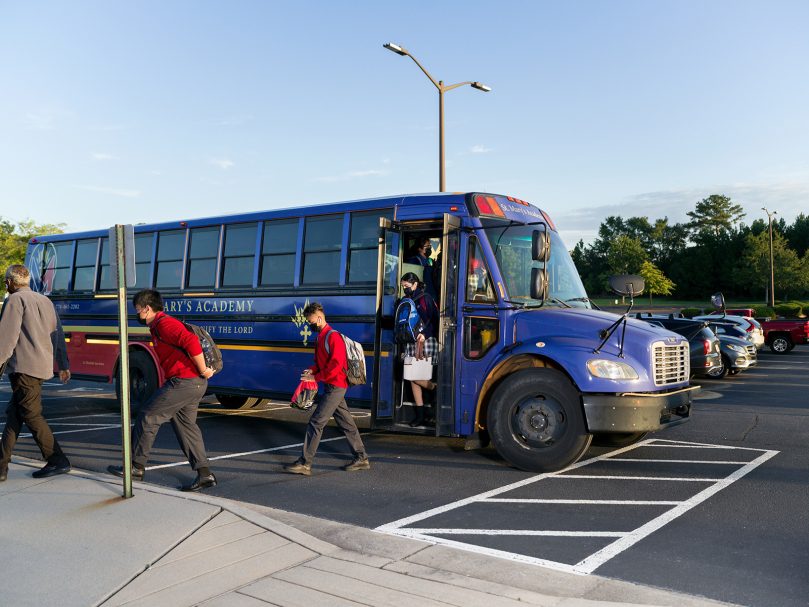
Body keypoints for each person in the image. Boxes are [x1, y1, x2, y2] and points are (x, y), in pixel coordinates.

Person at [107, 289, 217, 492]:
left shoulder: (164, 324)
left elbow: (191, 341)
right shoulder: (159, 325)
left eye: (138, 310)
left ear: (147, 309)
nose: (137, 314)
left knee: (148, 415)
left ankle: (136, 468)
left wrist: (202, 369)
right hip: (193, 383)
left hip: (184, 382)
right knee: (185, 426)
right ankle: (205, 475)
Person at [0, 264, 71, 481]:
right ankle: (1, 466)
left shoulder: (14, 300)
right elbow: (57, 334)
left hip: (24, 368)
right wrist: (63, 363)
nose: (5, 285)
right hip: (41, 367)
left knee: (31, 414)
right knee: (15, 414)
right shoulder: (45, 300)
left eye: (6, 281)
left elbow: (7, 338)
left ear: (11, 282)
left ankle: (57, 459)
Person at [284, 302, 369, 476]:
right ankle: (361, 458)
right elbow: (321, 363)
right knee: (346, 422)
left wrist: (316, 377)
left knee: (317, 422)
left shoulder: (333, 337)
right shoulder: (320, 337)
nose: (310, 324)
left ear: (319, 318)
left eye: (311, 321)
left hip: (336, 386)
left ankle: (305, 463)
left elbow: (337, 366)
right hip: (332, 385)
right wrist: (313, 370)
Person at [399, 272, 439, 427]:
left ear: (415, 284)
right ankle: (420, 414)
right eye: (403, 286)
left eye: (407, 286)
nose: (405, 289)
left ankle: (435, 389)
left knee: (414, 376)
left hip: (425, 341)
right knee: (411, 378)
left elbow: (435, 320)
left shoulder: (425, 298)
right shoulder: (405, 300)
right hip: (410, 342)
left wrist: (425, 334)